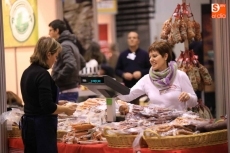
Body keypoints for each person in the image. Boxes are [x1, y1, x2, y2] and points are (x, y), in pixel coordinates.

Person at [20, 37, 76, 153]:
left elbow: (35, 100)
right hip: (41, 129)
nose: (55, 60)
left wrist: (57, 103)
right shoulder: (43, 75)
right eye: (55, 56)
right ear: (48, 54)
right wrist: (65, 109)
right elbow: (48, 107)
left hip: (29, 127)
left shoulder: (27, 72)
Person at [118, 40, 198, 110]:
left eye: (155, 56)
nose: (151, 60)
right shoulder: (147, 79)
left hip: (177, 123)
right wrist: (111, 88)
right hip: (156, 124)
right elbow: (128, 96)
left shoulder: (180, 75)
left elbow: (194, 102)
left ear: (165, 56)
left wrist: (188, 97)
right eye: (150, 57)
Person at [49, 19, 85, 102]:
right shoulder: (71, 44)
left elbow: (71, 65)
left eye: (50, 30)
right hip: (71, 89)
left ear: (57, 30)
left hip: (65, 91)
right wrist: (72, 76)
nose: (49, 33)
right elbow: (82, 63)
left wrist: (57, 78)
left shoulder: (64, 46)